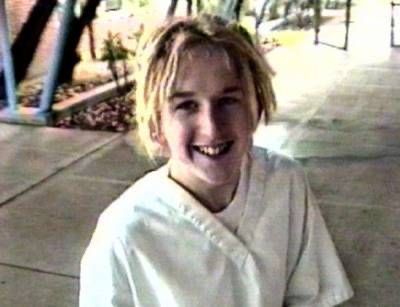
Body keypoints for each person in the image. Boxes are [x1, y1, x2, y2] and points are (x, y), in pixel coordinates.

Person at [79, 14, 353, 307]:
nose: (212, 126)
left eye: (228, 101)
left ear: (255, 107)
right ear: (156, 125)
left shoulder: (285, 183)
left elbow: (311, 296)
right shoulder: (125, 233)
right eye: (186, 106)